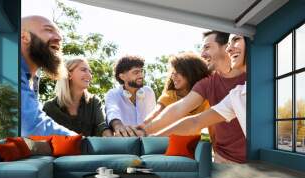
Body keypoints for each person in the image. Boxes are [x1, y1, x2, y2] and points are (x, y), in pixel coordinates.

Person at [142, 31, 247, 163]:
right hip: (223, 158)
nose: (202, 54)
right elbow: (182, 111)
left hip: (256, 161)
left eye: (207, 47)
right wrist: (144, 133)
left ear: (226, 47)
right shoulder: (213, 84)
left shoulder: (252, 79)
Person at [20, 16, 76, 136]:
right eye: (48, 30)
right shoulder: (13, 71)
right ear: (24, 37)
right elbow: (33, 128)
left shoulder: (33, 77)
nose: (59, 38)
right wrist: (83, 142)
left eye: (59, 33)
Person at [43, 58, 113, 136]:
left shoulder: (94, 102)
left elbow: (102, 126)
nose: (89, 76)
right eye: (83, 70)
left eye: (90, 72)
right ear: (68, 74)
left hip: (89, 148)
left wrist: (111, 139)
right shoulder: (50, 107)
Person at [143, 52, 210, 128]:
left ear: (191, 73)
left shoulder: (207, 96)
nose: (173, 77)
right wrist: (141, 127)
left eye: (178, 72)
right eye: (173, 73)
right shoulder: (170, 96)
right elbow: (155, 114)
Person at [105, 55, 156, 137]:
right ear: (122, 77)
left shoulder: (148, 92)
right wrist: (118, 126)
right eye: (136, 72)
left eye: (141, 71)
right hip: (126, 143)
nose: (141, 75)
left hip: (148, 140)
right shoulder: (113, 94)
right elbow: (112, 112)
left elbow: (153, 120)